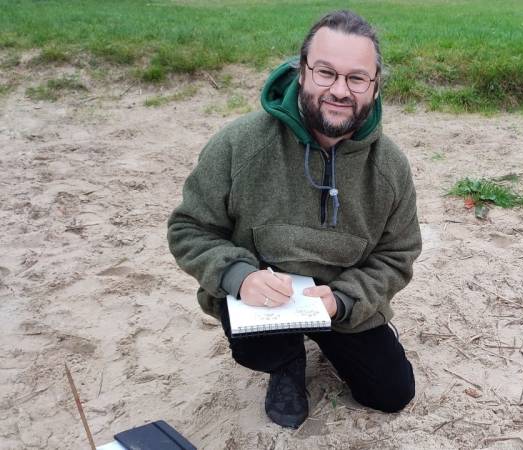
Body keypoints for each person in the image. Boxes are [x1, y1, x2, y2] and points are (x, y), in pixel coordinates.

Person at [167, 10, 421, 429]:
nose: (340, 90)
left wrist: (343, 302)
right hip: (262, 297)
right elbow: (189, 228)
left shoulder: (390, 167)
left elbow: (398, 253)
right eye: (325, 73)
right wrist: (239, 278)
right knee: (255, 343)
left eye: (357, 78)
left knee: (392, 393)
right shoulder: (239, 143)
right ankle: (285, 363)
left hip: (339, 300)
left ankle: (333, 333)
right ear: (301, 72)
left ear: (375, 88)